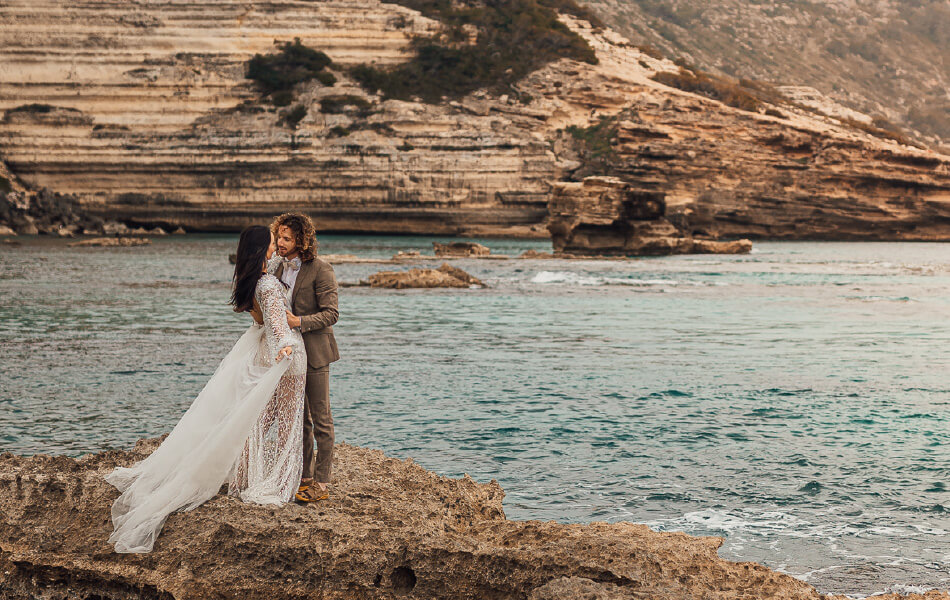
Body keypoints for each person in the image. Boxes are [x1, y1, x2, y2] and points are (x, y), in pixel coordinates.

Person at [105, 225, 306, 553]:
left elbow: (264, 305)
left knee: (254, 420)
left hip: (260, 349)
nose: (276, 245)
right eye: (272, 241)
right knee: (287, 423)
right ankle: (280, 485)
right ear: (262, 248)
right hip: (285, 355)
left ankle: (243, 479)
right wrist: (287, 346)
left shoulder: (250, 279)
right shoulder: (268, 283)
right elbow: (276, 324)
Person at [265, 213, 340, 503]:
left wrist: (299, 322)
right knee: (300, 419)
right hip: (290, 354)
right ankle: (305, 476)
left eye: (287, 238)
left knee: (321, 419)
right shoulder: (276, 268)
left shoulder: (321, 269)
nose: (281, 243)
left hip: (316, 352)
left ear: (302, 240)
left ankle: (322, 483)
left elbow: (331, 313)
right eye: (279, 237)